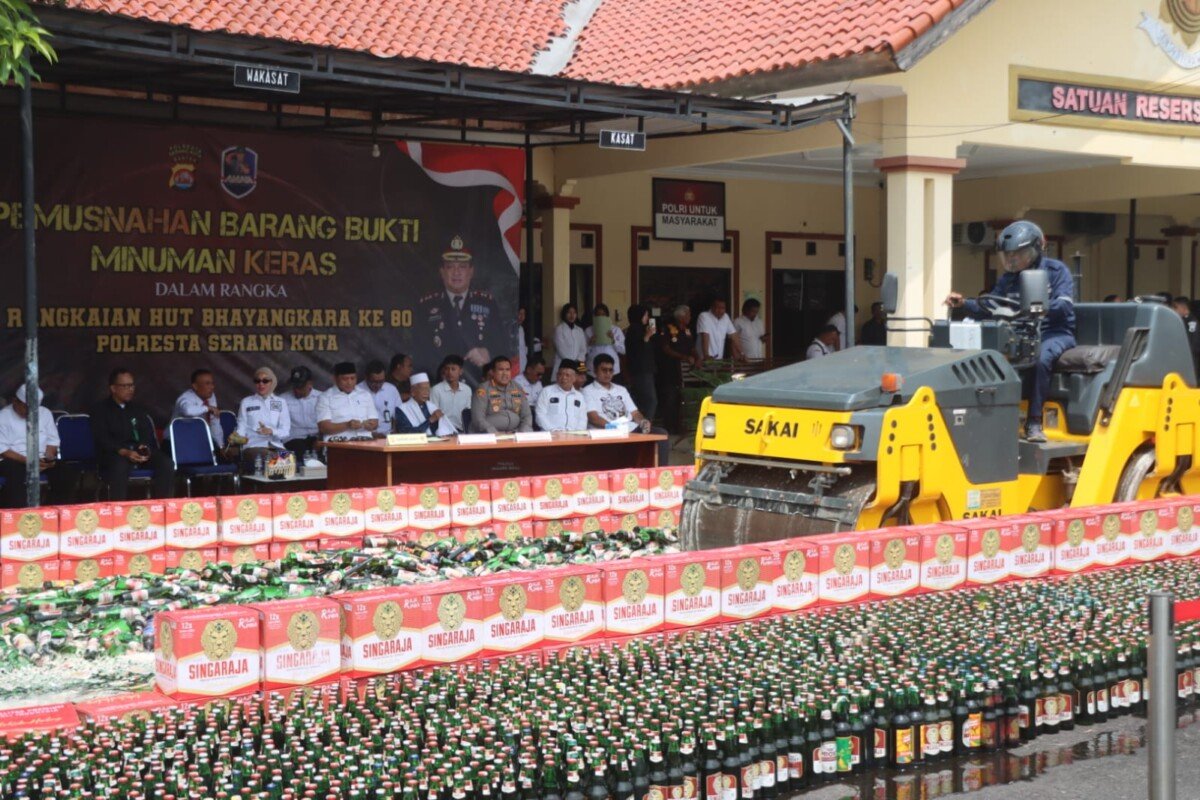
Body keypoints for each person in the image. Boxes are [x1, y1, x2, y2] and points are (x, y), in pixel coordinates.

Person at [946, 219, 1076, 443]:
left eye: (1019, 254)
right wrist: (964, 304)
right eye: (1008, 255)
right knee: (986, 358)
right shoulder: (1008, 279)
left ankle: (1034, 422)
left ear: (1036, 248)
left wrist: (1035, 308)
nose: (1012, 260)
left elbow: (1064, 305)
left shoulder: (1056, 271)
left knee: (1040, 359)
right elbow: (991, 307)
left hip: (1053, 332)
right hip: (1018, 334)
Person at [415, 235, 507, 380]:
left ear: (471, 271)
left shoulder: (486, 303)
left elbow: (502, 344)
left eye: (462, 267)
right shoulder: (427, 306)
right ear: (442, 272)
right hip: (439, 382)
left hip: (478, 380)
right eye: (450, 266)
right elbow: (419, 350)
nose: (456, 272)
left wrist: (488, 353)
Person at [91, 368, 175, 499]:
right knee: (119, 466)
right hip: (115, 453)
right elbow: (101, 438)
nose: (130, 389)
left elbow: (146, 432)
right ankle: (119, 509)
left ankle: (162, 505)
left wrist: (143, 446)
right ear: (113, 388)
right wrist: (124, 451)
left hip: (137, 451)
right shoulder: (100, 410)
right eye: (125, 386)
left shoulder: (137, 408)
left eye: (131, 385)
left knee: (166, 463)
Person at [0, 385, 80, 507]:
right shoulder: (3, 416)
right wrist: (30, 461)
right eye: (27, 408)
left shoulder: (45, 413)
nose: (31, 412)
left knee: (66, 472)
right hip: (13, 460)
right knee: (15, 475)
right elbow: (3, 449)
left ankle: (53, 511)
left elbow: (52, 442)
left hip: (40, 459)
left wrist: (48, 459)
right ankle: (19, 515)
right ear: (15, 401)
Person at [583, 354, 671, 465]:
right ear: (595, 371)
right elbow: (593, 417)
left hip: (629, 429)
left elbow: (635, 413)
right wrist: (613, 427)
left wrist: (643, 421)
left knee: (661, 434)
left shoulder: (621, 389)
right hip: (606, 431)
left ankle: (661, 473)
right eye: (604, 370)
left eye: (610, 370)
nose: (608, 374)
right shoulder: (587, 391)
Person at [235, 367, 291, 471]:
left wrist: (271, 431)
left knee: (290, 460)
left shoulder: (280, 402)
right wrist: (237, 438)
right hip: (253, 446)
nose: (261, 384)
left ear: (272, 382)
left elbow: (286, 431)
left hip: (276, 445)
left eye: (265, 381)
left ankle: (279, 485)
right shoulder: (247, 402)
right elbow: (241, 427)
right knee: (271, 459)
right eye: (257, 381)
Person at [656, 305, 699, 435]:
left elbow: (692, 347)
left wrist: (697, 357)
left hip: (685, 372)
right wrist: (684, 357)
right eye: (688, 315)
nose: (690, 317)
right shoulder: (668, 328)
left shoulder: (687, 330)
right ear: (681, 317)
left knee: (683, 398)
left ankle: (681, 426)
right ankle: (668, 428)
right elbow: (666, 348)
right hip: (670, 370)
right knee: (670, 399)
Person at [315, 362, 379, 441]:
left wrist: (369, 425)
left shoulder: (365, 395)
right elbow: (324, 427)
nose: (349, 382)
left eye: (353, 378)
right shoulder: (325, 398)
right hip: (338, 444)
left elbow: (375, 422)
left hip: (365, 442)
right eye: (345, 379)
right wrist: (347, 425)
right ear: (335, 379)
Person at [469, 355, 532, 433]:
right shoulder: (483, 389)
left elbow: (526, 415)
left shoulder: (517, 387)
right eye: (501, 370)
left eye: (507, 370)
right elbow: (478, 419)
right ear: (493, 372)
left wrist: (523, 432)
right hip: (489, 435)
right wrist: (494, 433)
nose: (505, 373)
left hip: (514, 433)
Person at [624, 304, 658, 423]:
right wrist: (647, 337)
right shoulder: (633, 330)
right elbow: (637, 351)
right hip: (640, 371)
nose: (647, 318)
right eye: (645, 315)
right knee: (650, 399)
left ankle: (644, 423)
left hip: (646, 370)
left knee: (644, 399)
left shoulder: (641, 329)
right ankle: (646, 423)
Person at [172, 368, 224, 448]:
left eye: (212, 383)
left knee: (221, 456)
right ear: (195, 386)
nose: (212, 387)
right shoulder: (185, 398)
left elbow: (214, 422)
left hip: (197, 439)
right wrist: (207, 408)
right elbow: (188, 411)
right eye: (207, 383)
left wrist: (220, 446)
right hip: (175, 441)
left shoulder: (211, 396)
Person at [397, 373, 457, 437]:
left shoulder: (432, 407)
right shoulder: (402, 409)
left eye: (428, 389)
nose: (426, 393)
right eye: (423, 389)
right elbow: (407, 434)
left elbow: (444, 430)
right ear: (413, 392)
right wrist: (430, 420)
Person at [535, 360, 588, 432]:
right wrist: (553, 430)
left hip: (573, 437)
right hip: (550, 435)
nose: (563, 378)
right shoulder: (546, 391)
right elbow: (540, 414)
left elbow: (583, 419)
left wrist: (577, 433)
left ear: (574, 378)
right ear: (556, 375)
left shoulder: (579, 396)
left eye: (567, 375)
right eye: (560, 374)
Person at [282, 366, 320, 456]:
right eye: (294, 386)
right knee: (298, 452)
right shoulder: (282, 399)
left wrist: (320, 440)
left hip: (318, 437)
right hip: (294, 439)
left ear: (310, 384)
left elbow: (327, 423)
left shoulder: (322, 398)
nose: (296, 390)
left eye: (300, 387)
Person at [430, 355, 473, 432]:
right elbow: (433, 414)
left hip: (462, 431)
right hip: (442, 431)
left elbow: (467, 414)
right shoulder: (436, 390)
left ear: (460, 371)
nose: (449, 372)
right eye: (447, 369)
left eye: (453, 369)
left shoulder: (467, 390)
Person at [585, 303, 626, 378]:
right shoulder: (588, 330)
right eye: (598, 315)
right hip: (593, 369)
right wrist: (590, 344)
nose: (600, 317)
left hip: (612, 369)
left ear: (607, 316)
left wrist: (613, 340)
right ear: (594, 317)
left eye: (603, 314)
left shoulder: (616, 330)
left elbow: (623, 350)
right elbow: (583, 352)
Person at [365, 360, 403, 433]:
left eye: (381, 381)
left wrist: (394, 432)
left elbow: (398, 415)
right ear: (366, 377)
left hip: (387, 435)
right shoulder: (357, 391)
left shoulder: (391, 389)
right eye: (374, 382)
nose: (378, 385)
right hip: (365, 436)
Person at [1174, 296, 1200, 374]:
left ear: (1183, 307)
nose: (1174, 310)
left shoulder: (1192, 322)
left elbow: (1194, 344)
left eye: (1176, 307)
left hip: (1190, 360)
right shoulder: (1182, 320)